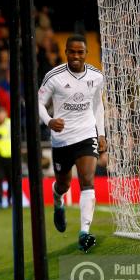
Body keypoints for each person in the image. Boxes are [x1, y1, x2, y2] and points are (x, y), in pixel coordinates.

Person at [37, 34, 106, 252]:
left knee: (87, 181)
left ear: (86, 53)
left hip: (86, 135)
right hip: (61, 139)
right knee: (64, 185)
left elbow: (98, 106)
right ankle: (58, 201)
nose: (76, 56)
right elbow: (39, 103)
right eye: (72, 52)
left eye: (80, 52)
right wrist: (49, 121)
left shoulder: (96, 76)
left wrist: (101, 133)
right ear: (66, 52)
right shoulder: (53, 76)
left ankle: (84, 232)